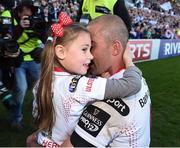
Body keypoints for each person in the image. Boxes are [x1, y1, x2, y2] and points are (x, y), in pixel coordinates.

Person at [27, 12, 142, 146]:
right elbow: (132, 84)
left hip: (42, 141)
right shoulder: (80, 85)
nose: (91, 56)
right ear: (61, 52)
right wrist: (129, 61)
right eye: (84, 49)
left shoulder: (42, 80)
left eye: (91, 48)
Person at [62, 15, 151, 147]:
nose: (88, 55)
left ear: (115, 48)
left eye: (91, 47)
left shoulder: (106, 103)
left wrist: (38, 142)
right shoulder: (139, 78)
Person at [10, 0, 44, 130]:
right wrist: (20, 26)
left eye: (31, 10)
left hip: (35, 60)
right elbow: (10, 38)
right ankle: (16, 119)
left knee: (40, 89)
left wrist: (37, 28)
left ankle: (40, 118)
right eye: (26, 10)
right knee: (21, 89)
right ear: (19, 12)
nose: (29, 13)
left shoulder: (37, 18)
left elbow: (44, 36)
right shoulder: (12, 20)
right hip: (19, 60)